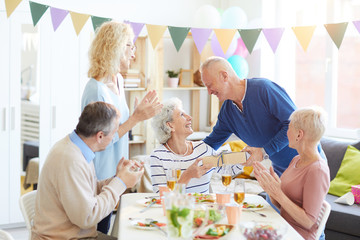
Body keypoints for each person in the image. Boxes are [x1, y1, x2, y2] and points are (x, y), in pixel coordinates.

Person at [81, 21, 162, 233]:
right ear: (115, 47)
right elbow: (97, 140)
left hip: (115, 172)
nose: (133, 54)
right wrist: (135, 118)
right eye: (130, 46)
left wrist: (138, 115)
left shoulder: (118, 80)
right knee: (98, 230)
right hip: (99, 176)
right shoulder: (95, 90)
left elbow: (120, 127)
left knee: (110, 228)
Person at [32, 102, 144, 240]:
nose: (114, 136)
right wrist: (120, 183)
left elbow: (86, 192)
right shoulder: (71, 159)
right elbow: (87, 217)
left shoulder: (77, 148)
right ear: (100, 136)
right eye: (114, 132)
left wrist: (118, 178)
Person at [200, 56, 326, 176]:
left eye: (210, 85)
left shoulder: (263, 89)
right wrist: (184, 151)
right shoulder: (227, 112)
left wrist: (264, 151)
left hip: (308, 165)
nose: (209, 92)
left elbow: (295, 124)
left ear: (224, 76)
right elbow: (210, 143)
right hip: (279, 170)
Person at [253, 106, 330, 240]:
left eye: (289, 128)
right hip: (282, 229)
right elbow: (283, 206)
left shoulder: (317, 170)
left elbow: (308, 222)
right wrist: (270, 189)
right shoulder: (296, 159)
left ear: (299, 135)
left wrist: (278, 193)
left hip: (297, 236)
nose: (286, 133)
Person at [149, 98, 242, 194]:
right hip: (177, 209)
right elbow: (160, 197)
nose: (190, 117)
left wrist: (245, 158)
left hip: (204, 207)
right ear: (170, 125)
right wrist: (187, 176)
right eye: (182, 115)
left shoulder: (203, 149)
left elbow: (227, 171)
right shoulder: (158, 156)